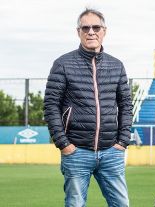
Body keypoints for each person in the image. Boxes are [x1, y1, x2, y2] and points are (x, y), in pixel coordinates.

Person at [44, 8, 132, 207]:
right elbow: (51, 106)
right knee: (75, 204)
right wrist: (64, 144)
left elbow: (126, 104)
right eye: (86, 27)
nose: (91, 31)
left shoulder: (116, 65)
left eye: (96, 27)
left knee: (122, 204)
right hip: (76, 152)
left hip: (112, 152)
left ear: (104, 31)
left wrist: (122, 142)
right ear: (78, 32)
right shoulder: (63, 64)